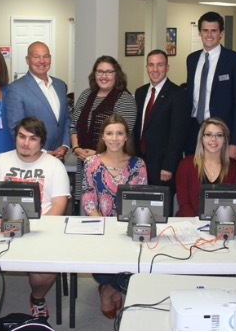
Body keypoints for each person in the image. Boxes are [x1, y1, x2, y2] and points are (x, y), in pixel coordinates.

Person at [0, 117, 70, 325]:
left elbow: (59, 205)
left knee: (44, 272)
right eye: (22, 136)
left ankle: (37, 298)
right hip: (0, 228)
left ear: (41, 142)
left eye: (32, 138)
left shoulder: (54, 166)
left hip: (39, 230)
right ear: (15, 137)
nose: (26, 143)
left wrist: (35, 227)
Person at [82, 115, 146, 319]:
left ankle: (109, 291)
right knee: (102, 272)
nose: (115, 138)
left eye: (120, 133)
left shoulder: (138, 164)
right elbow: (88, 195)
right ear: (102, 136)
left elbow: (142, 200)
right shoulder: (92, 163)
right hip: (101, 226)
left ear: (126, 137)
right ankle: (110, 287)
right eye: (109, 133)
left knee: (141, 266)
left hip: (130, 229)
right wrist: (100, 222)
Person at [71, 56, 136, 204]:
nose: (104, 76)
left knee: (109, 206)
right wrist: (76, 148)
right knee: (87, 206)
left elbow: (122, 136)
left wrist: (97, 155)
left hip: (111, 166)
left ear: (117, 74)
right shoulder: (85, 95)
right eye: (100, 71)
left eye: (109, 72)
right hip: (83, 162)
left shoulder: (125, 100)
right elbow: (73, 125)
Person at [185, 11, 236, 158]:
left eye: (214, 30)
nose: (209, 35)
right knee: (194, 175)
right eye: (205, 30)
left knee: (219, 177)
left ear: (221, 33)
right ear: (199, 32)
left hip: (221, 133)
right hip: (194, 130)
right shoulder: (192, 59)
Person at [132, 49, 188, 210]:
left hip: (163, 166)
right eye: (151, 65)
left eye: (160, 65)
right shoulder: (141, 92)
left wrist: (169, 166)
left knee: (161, 209)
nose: (155, 69)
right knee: (141, 206)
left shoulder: (178, 94)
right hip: (141, 161)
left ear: (167, 67)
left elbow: (178, 134)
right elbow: (139, 128)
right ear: (146, 67)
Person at [6, 42, 70, 160]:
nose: (42, 61)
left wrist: (65, 145)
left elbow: (66, 119)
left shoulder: (60, 85)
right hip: (32, 157)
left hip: (59, 156)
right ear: (27, 59)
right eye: (36, 57)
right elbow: (15, 127)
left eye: (46, 56)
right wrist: (42, 152)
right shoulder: (16, 88)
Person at [176, 118, 236, 217]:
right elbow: (184, 203)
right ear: (201, 138)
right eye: (208, 134)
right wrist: (198, 224)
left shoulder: (235, 168)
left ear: (225, 139)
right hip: (190, 223)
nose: (213, 139)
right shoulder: (185, 165)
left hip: (222, 224)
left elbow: (235, 204)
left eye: (219, 135)